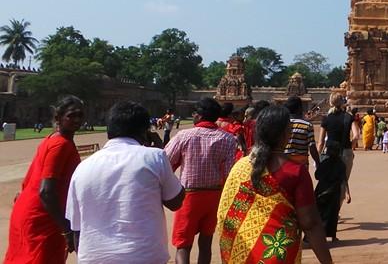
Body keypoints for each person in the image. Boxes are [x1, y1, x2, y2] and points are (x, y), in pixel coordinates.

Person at [66, 101, 186, 264]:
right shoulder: (154, 157)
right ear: (145, 131)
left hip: (93, 258)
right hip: (142, 256)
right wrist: (161, 151)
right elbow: (175, 201)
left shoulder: (82, 168)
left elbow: (77, 228)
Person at [217, 105, 333, 264]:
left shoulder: (240, 166)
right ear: (287, 133)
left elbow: (226, 213)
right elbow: (310, 224)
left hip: (240, 252)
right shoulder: (295, 171)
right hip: (276, 253)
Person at [5, 96, 84, 264]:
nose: (77, 120)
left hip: (32, 210)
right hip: (42, 216)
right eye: (71, 115)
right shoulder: (60, 144)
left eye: (80, 115)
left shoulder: (53, 139)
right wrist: (66, 230)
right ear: (58, 118)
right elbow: (46, 192)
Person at [164, 98, 237, 264]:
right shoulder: (228, 139)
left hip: (189, 196)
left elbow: (165, 162)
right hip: (214, 196)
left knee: (183, 245)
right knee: (206, 242)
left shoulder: (184, 136)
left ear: (198, 115)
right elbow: (229, 173)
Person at [313, 141, 350, 244]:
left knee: (320, 214)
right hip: (334, 192)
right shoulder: (341, 165)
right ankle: (332, 236)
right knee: (332, 215)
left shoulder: (324, 163)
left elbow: (317, 176)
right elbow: (344, 179)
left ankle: (317, 236)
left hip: (322, 191)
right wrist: (347, 193)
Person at [284, 97, 321, 167]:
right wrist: (317, 162)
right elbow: (312, 147)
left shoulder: (282, 124)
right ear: (299, 108)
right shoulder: (307, 125)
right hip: (301, 165)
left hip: (285, 163)